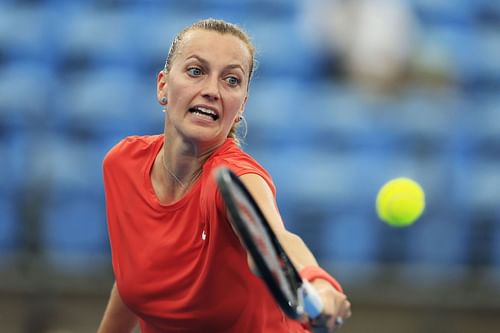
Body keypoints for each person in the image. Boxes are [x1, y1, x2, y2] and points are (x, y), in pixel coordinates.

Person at [97, 18, 351, 333]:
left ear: (242, 104)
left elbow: (278, 239)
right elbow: (136, 280)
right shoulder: (122, 164)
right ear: (163, 85)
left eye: (231, 80)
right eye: (195, 71)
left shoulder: (237, 176)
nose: (212, 90)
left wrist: (319, 284)